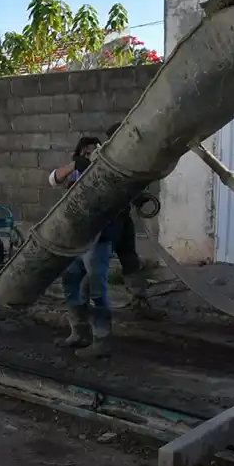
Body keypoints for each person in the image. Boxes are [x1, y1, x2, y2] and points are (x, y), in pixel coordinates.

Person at [48, 136, 120, 359]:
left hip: (97, 240)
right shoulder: (76, 171)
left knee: (97, 288)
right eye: (85, 151)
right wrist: (75, 165)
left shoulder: (107, 172)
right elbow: (53, 179)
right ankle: (79, 332)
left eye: (93, 150)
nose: (89, 153)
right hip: (75, 239)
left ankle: (102, 339)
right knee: (71, 282)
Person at [104, 122, 162, 319]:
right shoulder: (106, 163)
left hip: (122, 218)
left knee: (129, 259)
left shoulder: (128, 161)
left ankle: (139, 301)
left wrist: (139, 197)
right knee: (97, 264)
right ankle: (85, 301)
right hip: (106, 222)